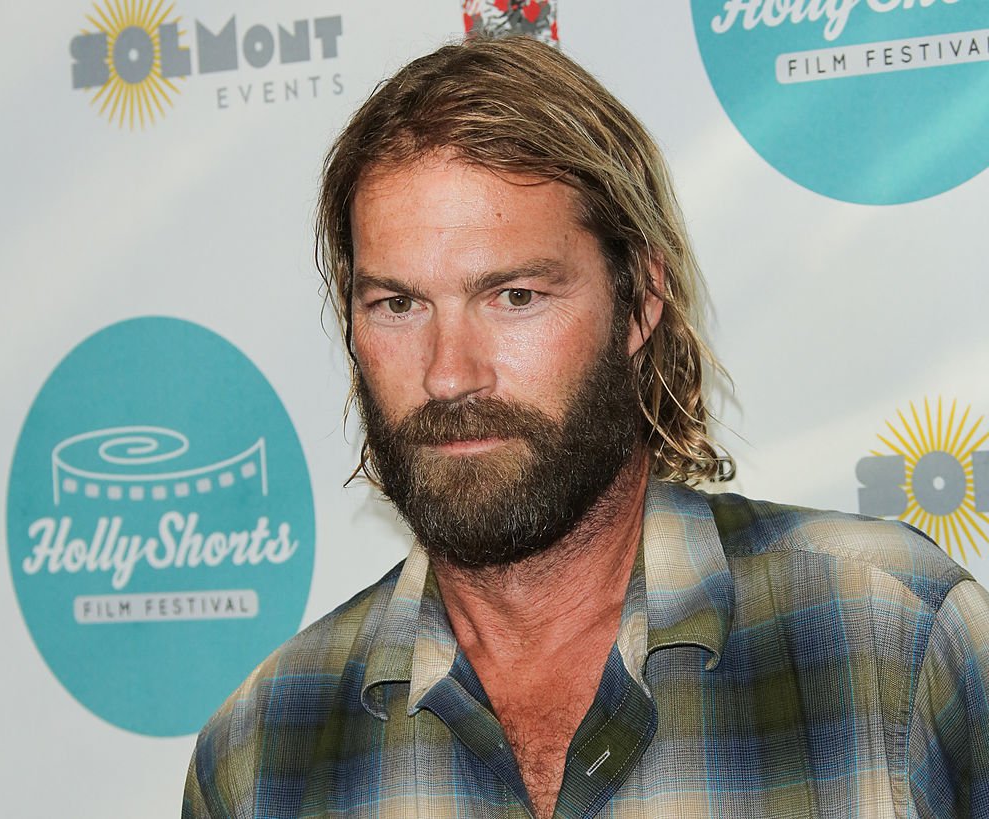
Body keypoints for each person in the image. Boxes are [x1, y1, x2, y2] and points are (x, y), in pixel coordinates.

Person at [183, 36, 989, 818]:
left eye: (515, 296)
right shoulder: (262, 754)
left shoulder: (893, 639)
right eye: (398, 304)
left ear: (639, 302)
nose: (450, 373)